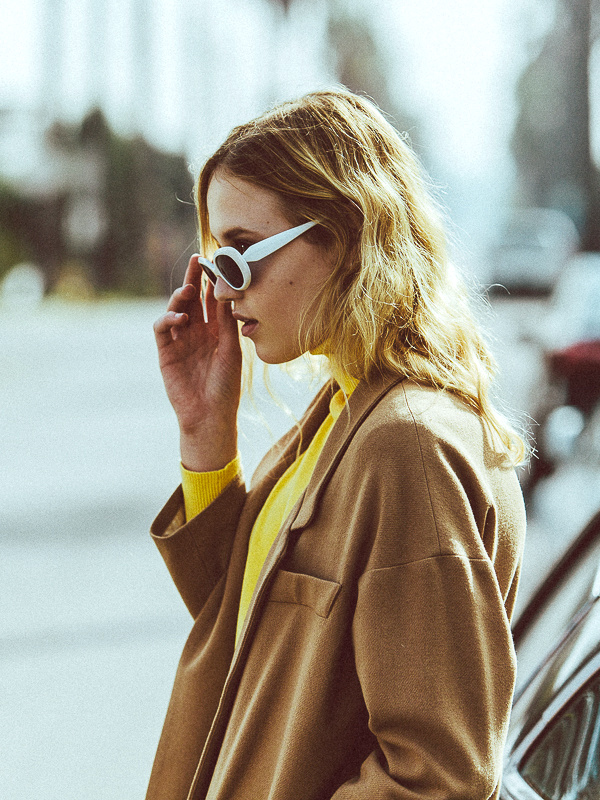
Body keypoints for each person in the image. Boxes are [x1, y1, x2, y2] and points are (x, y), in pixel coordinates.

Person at [149, 89, 527, 800]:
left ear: (345, 234)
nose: (223, 294)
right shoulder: (344, 413)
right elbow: (253, 637)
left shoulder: (407, 446)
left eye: (239, 257)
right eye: (214, 263)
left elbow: (436, 778)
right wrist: (206, 434)